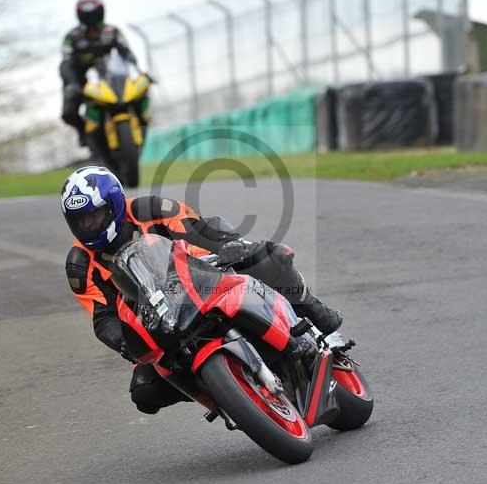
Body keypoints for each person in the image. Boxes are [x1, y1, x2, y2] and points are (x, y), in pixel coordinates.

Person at [61, 166, 343, 414]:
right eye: (80, 221)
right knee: (145, 393)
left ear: (114, 204)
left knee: (269, 257)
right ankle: (230, 397)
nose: (87, 226)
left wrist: (228, 248)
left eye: (94, 216)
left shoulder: (153, 210)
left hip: (203, 279)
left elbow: (198, 232)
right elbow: (103, 316)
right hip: (158, 322)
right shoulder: (80, 264)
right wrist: (124, 342)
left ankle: (315, 314)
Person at [59, 0, 151, 148]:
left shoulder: (112, 31)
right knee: (68, 112)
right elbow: (66, 62)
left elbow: (126, 53)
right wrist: (71, 84)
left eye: (94, 12)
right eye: (87, 13)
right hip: (82, 81)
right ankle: (85, 134)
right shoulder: (71, 37)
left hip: (112, 78)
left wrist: (138, 72)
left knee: (142, 90)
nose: (91, 16)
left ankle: (142, 122)